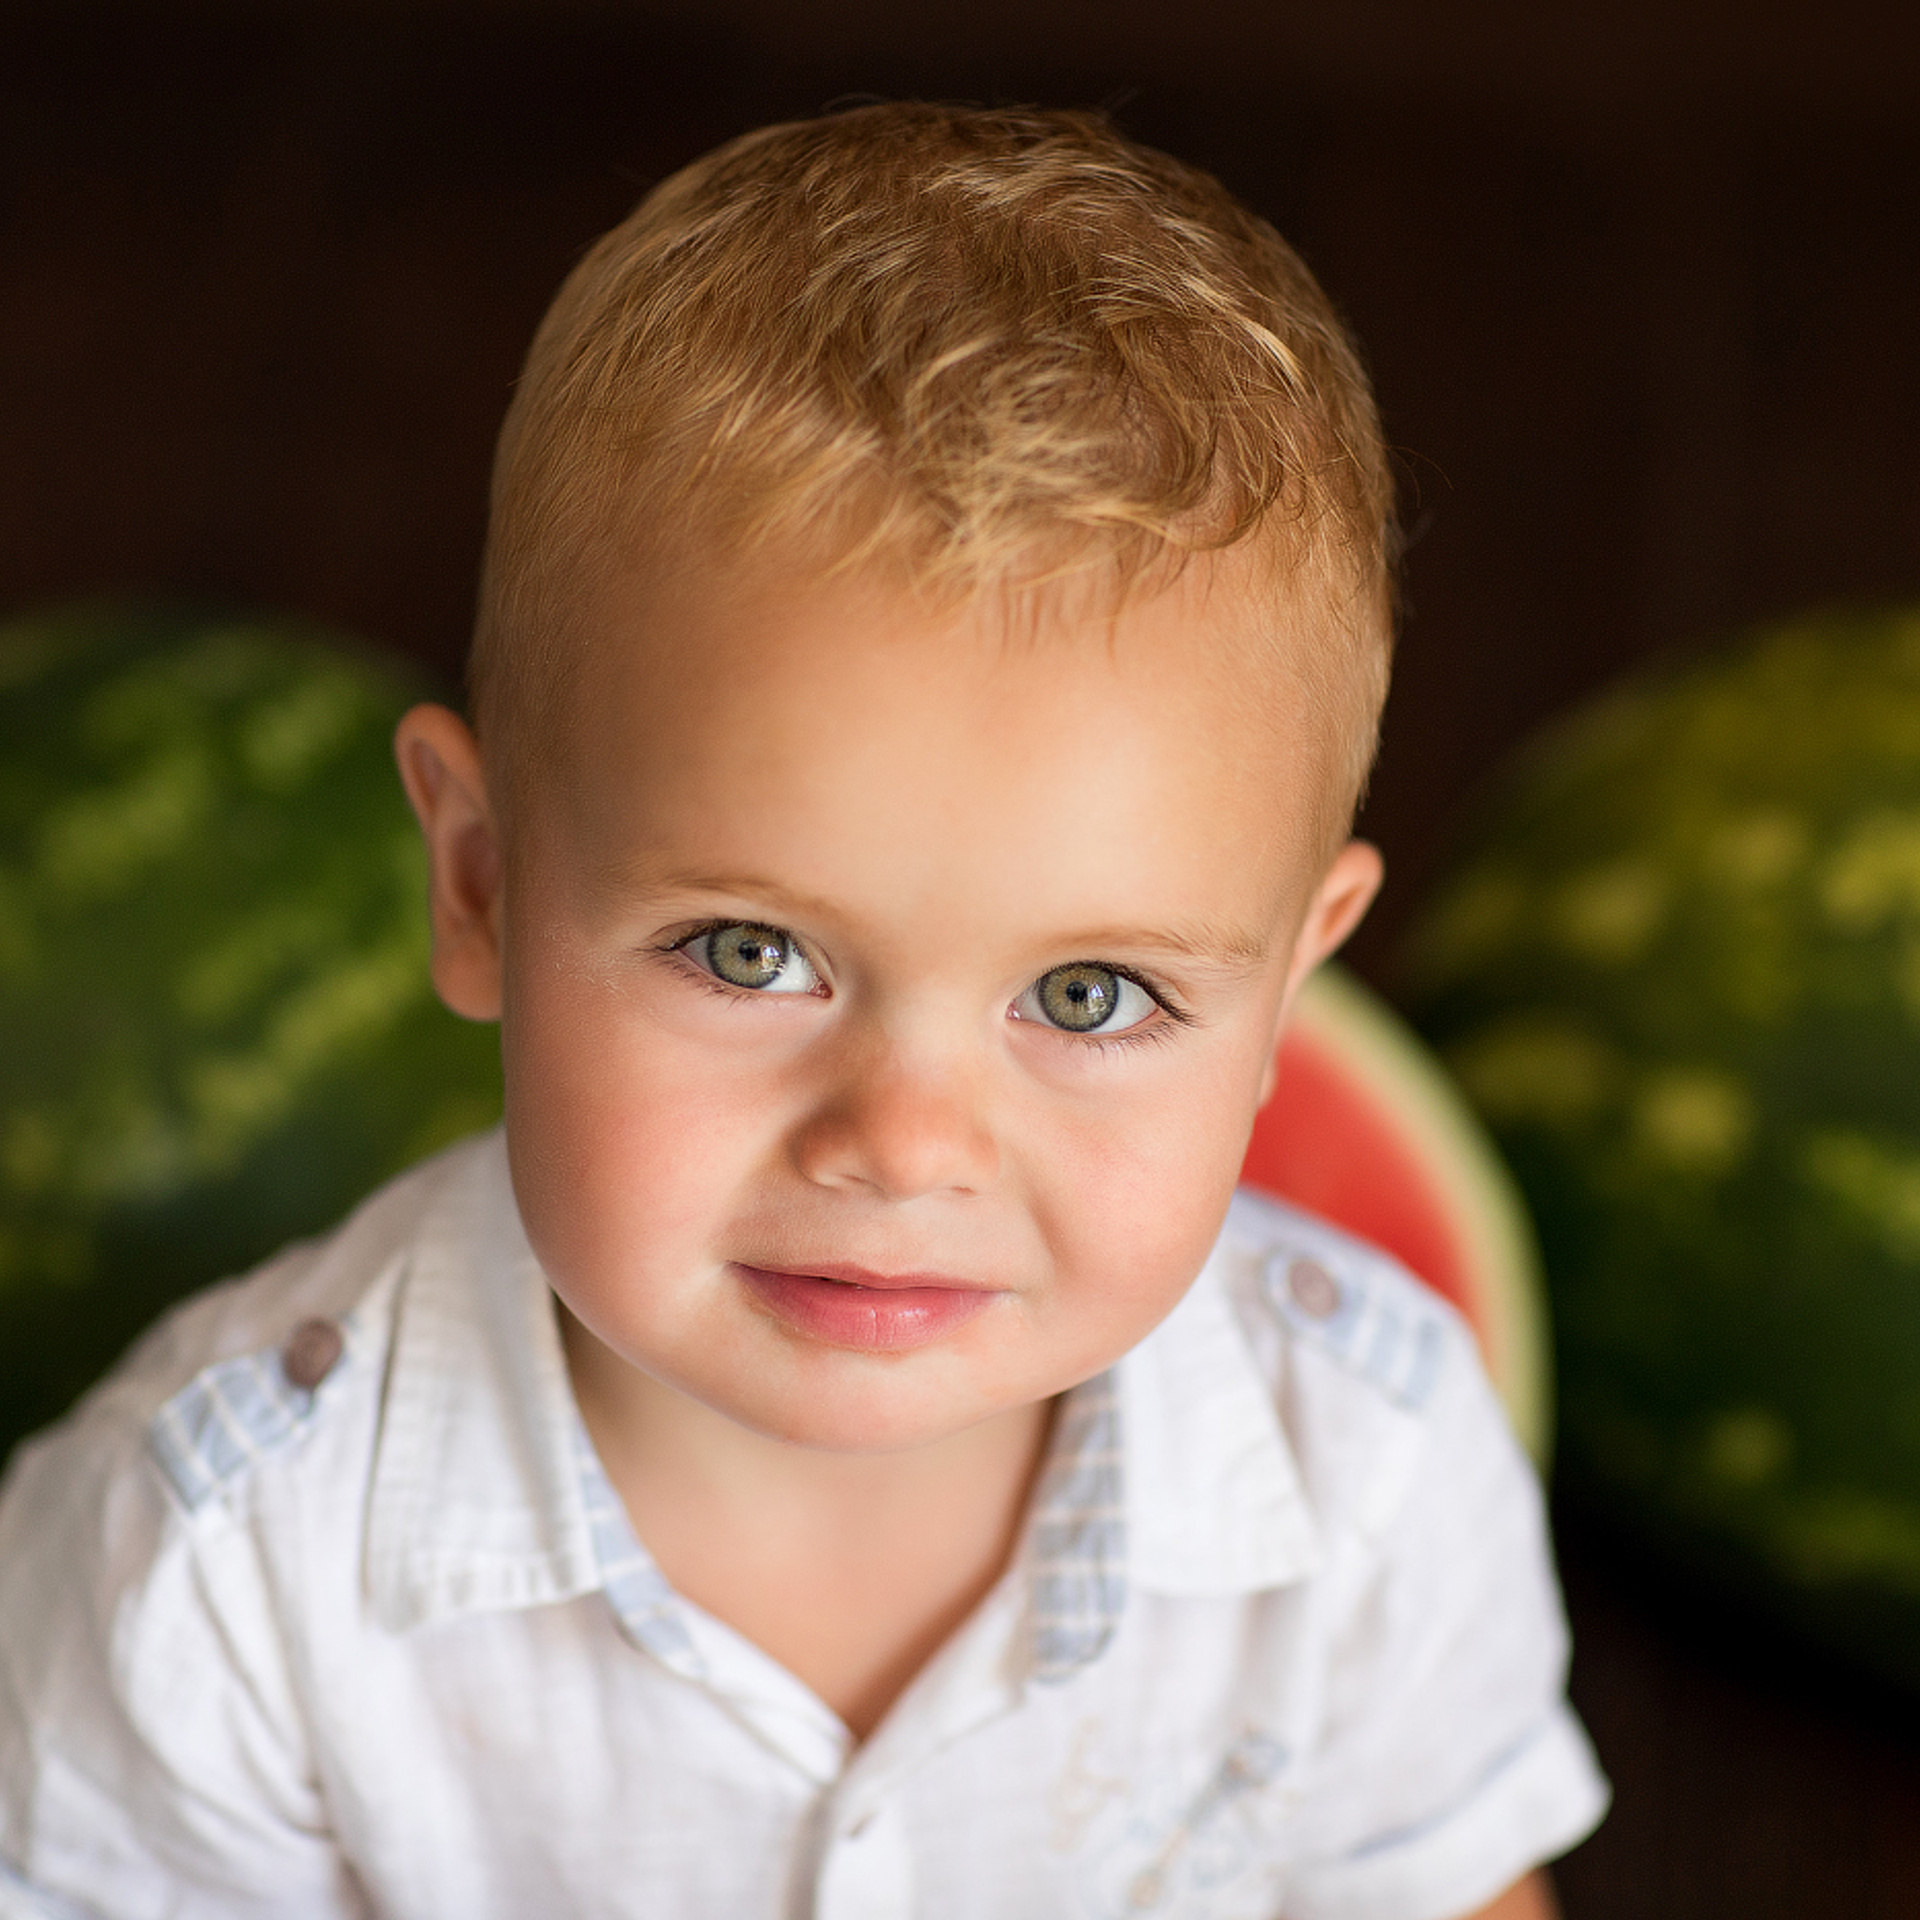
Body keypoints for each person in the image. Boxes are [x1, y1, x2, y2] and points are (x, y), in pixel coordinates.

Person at [0, 103, 1606, 1918]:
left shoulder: (1372, 1464)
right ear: (478, 885)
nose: (905, 1142)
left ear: (1286, 996)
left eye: (1091, 993)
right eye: (750, 955)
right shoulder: (210, 1572)